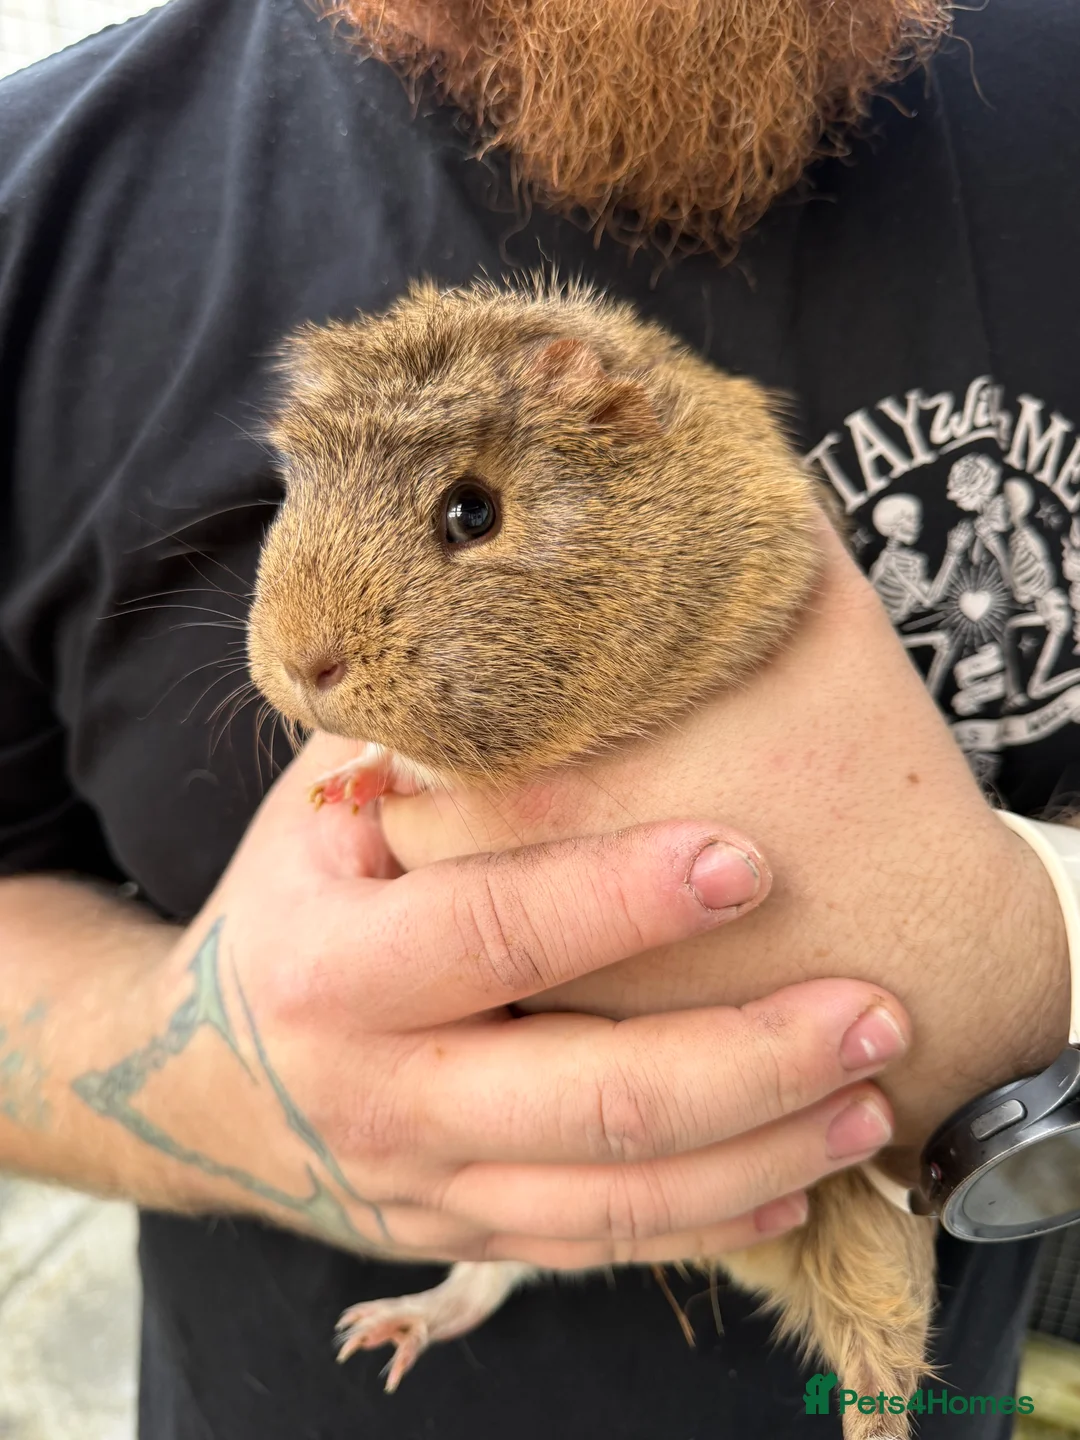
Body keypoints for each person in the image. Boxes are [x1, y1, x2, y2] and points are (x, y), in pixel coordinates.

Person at [0, 1, 1076, 1436]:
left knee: (882, 1355)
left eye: (463, 516)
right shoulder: (37, 210)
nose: (304, 641)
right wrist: (198, 1069)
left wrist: (1031, 954)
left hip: (912, 1327)